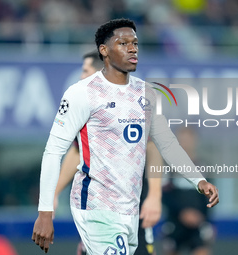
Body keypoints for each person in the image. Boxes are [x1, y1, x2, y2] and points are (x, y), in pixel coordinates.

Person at [32, 18, 219, 255]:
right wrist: (45, 212)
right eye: (123, 43)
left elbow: (167, 144)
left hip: (130, 211)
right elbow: (53, 152)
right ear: (104, 50)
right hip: (96, 207)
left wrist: (198, 180)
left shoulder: (146, 93)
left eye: (135, 43)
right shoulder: (82, 93)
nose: (132, 48)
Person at [53, 50, 164, 255]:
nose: (81, 76)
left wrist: (155, 195)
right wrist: (54, 191)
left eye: (85, 70)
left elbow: (153, 146)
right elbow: (77, 153)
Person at [162, 127, 215, 255]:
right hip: (175, 221)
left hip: (198, 222)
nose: (185, 143)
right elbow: (165, 195)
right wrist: (182, 213)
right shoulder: (169, 168)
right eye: (182, 140)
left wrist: (205, 219)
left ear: (195, 141)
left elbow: (211, 196)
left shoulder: (204, 167)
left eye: (188, 140)